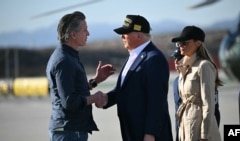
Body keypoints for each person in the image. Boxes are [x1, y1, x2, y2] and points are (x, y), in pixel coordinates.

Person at [95, 15, 173, 141]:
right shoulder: (134, 56)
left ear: (138, 35)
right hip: (132, 132)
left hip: (147, 135)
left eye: (125, 33)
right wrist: (106, 99)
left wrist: (150, 133)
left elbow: (157, 100)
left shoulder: (154, 59)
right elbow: (125, 90)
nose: (122, 37)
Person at [46, 11, 115, 141]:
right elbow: (69, 101)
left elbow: (72, 90)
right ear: (73, 35)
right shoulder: (64, 61)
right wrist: (94, 98)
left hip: (71, 131)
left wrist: (95, 81)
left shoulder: (68, 57)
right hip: (69, 133)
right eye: (85, 30)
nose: (88, 33)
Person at [171, 25, 223, 141]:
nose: (181, 46)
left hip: (199, 128)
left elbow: (208, 104)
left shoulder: (204, 66)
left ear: (198, 43)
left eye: (185, 43)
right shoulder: (185, 68)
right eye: (179, 43)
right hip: (185, 125)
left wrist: (205, 135)